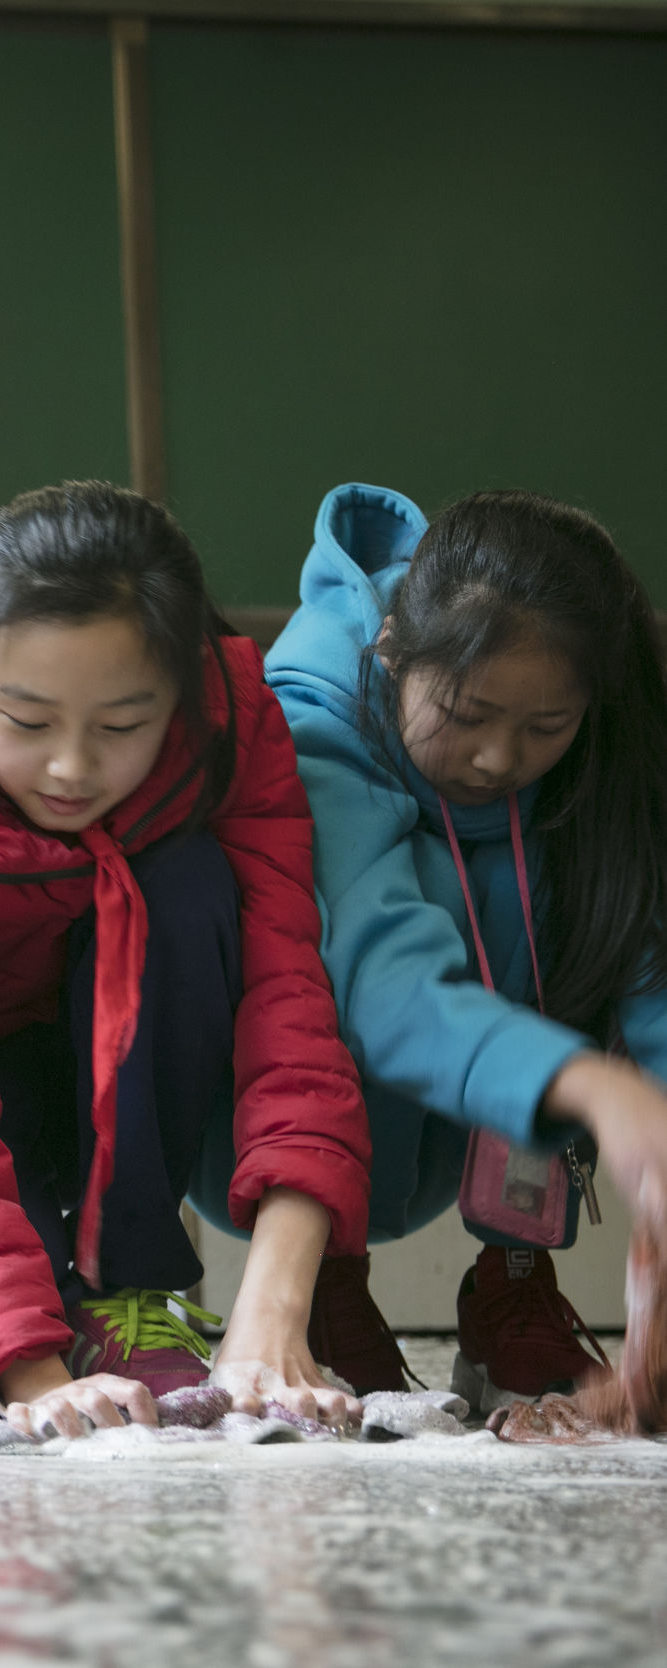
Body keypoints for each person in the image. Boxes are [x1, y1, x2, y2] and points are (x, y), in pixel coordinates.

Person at [0, 481, 371, 1442]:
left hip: (119, 1069)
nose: (70, 768)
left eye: (122, 726)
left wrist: (274, 1305)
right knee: (0, 1299)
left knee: (186, 880)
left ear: (181, 695)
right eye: (26, 720)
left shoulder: (227, 738)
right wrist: (27, 1373)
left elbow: (286, 1003)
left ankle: (127, 1291)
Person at [267, 483, 667, 1414]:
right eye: (468, 713)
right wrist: (597, 1088)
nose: (497, 759)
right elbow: (382, 977)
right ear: (391, 654)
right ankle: (329, 1273)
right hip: (337, 1076)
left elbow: (651, 956)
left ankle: (514, 1273)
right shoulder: (313, 720)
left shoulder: (609, 745)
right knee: (432, 893)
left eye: (545, 727)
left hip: (504, 1079)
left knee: (591, 877)